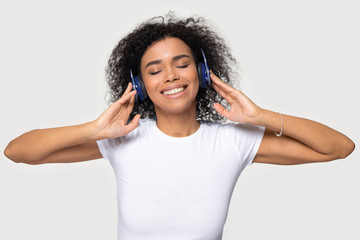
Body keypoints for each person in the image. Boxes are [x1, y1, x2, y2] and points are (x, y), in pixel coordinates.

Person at [4, 13, 355, 240]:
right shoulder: (123, 138)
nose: (170, 76)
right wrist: (93, 129)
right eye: (155, 70)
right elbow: (18, 152)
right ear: (140, 84)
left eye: (182, 64)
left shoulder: (232, 142)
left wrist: (261, 117)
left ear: (202, 73)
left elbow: (339, 148)